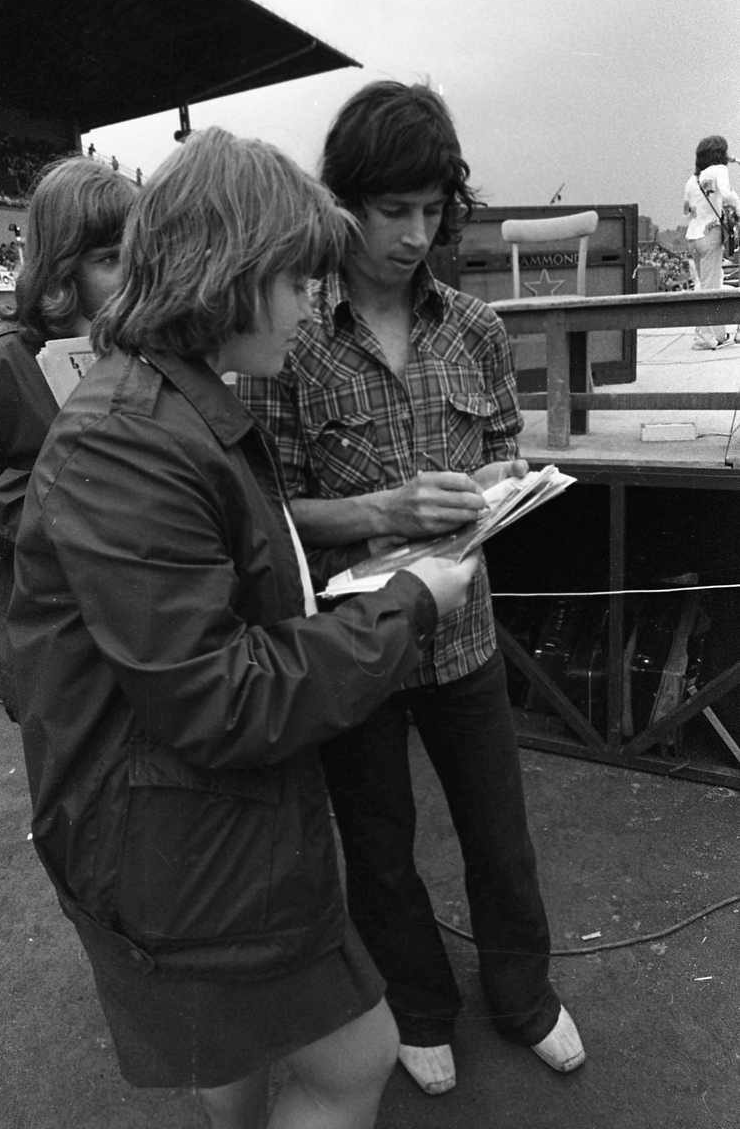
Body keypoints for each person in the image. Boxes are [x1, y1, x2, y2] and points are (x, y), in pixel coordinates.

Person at [8, 126, 479, 1129]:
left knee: (229, 1060)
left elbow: (230, 589)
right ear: (228, 274)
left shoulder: (170, 404)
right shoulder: (133, 439)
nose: (312, 306)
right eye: (298, 281)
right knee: (356, 1058)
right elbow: (222, 695)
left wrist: (371, 555)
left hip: (187, 821)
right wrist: (406, 602)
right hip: (176, 835)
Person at [237, 81, 585, 1096]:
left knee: (499, 834)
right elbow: (268, 517)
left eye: (431, 211)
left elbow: (506, 456)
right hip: (353, 644)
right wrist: (390, 511)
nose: (412, 234)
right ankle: (418, 1006)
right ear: (340, 201)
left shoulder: (474, 326)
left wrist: (493, 491)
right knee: (379, 847)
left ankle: (524, 995)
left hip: (465, 634)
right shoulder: (290, 334)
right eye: (392, 210)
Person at [0, 156, 135, 720]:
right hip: (51, 629)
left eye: (139, 257)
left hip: (142, 615)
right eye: (111, 259)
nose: (131, 278)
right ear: (61, 265)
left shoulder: (149, 348)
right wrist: (63, 501)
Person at [683, 135, 740, 349]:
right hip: (710, 234)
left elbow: (686, 210)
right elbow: (727, 194)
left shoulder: (692, 180)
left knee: (707, 283)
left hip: (693, 237)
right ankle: (704, 338)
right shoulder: (719, 171)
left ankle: (718, 332)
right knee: (710, 289)